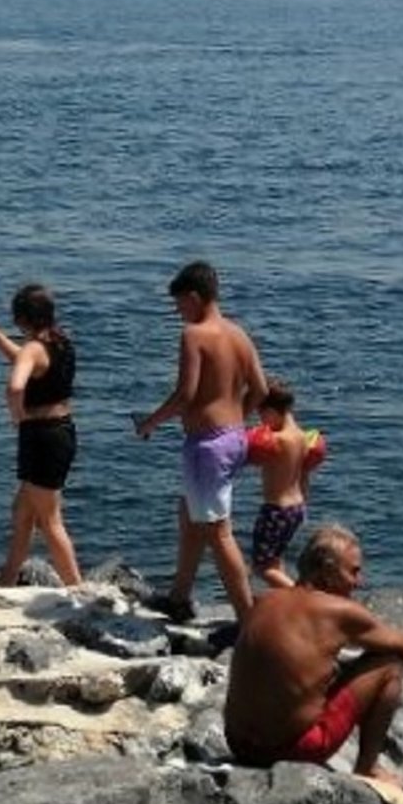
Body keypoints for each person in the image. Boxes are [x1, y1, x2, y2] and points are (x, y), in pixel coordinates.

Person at [222, 523, 403, 787]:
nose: (359, 581)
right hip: (291, 751)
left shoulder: (265, 600)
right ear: (328, 573)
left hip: (238, 744)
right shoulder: (339, 612)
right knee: (390, 664)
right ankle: (367, 768)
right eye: (353, 572)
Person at [134, 258, 269, 621]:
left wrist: (149, 423)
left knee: (217, 532)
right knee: (190, 516)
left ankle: (248, 621)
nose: (179, 313)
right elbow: (260, 389)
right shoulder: (239, 334)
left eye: (180, 304)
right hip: (233, 438)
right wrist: (236, 417)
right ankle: (179, 597)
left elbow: (185, 395)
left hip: (206, 445)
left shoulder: (194, 335)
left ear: (194, 297)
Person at [0, 282, 84, 587]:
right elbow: (27, 361)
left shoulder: (34, 348)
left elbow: (15, 386)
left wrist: (17, 416)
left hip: (41, 437)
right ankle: (7, 581)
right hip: (62, 431)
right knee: (22, 513)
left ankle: (79, 591)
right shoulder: (60, 341)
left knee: (49, 521)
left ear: (22, 318)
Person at [244, 380, 327, 589]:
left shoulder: (278, 440)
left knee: (261, 567)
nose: (261, 421)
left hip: (276, 510)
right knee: (275, 560)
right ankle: (287, 605)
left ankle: (302, 597)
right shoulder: (302, 438)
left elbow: (244, 451)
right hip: (296, 509)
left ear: (272, 411)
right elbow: (304, 475)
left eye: (261, 414)